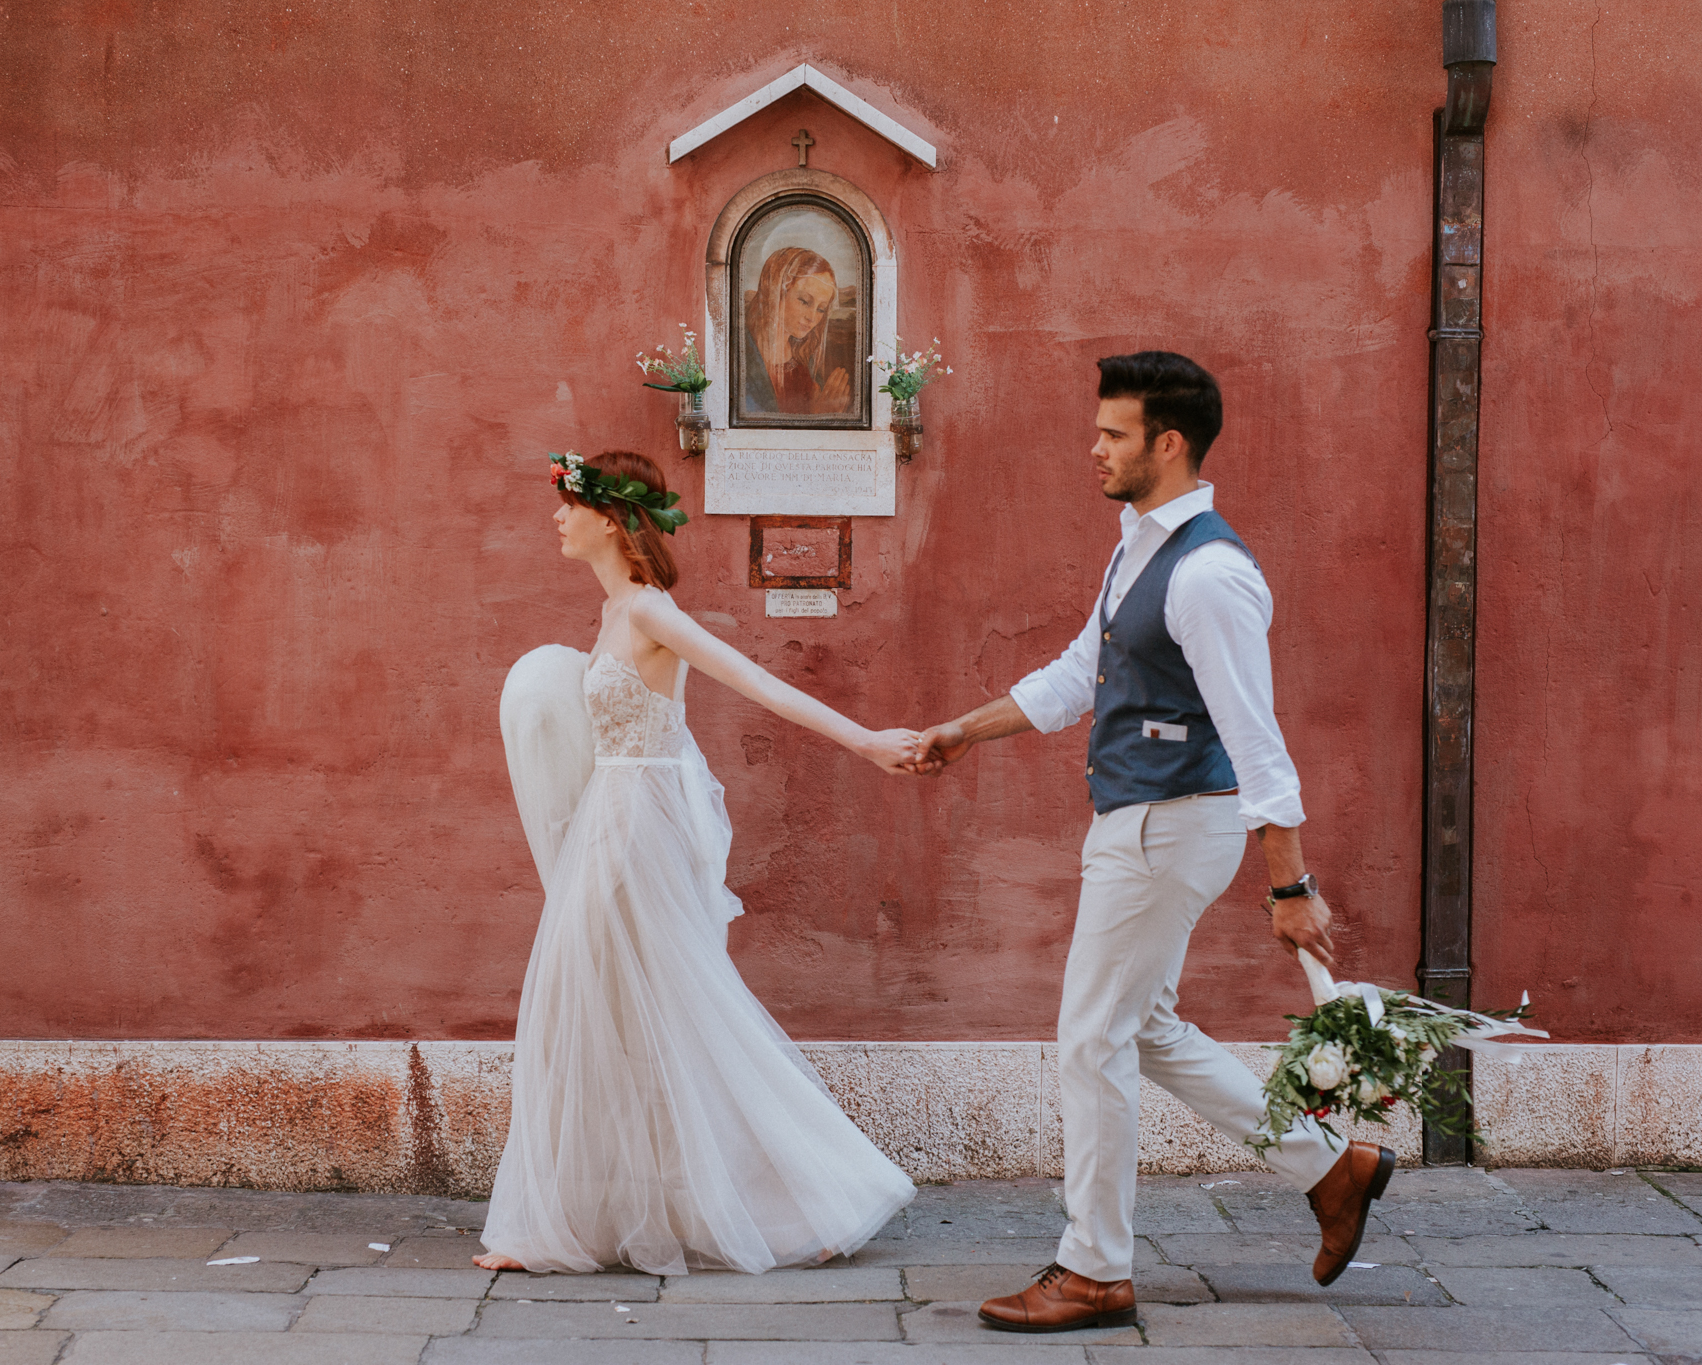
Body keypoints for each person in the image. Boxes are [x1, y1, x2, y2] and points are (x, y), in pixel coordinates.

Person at [909, 353, 1394, 1333]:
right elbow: (1069, 675)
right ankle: (1330, 1165)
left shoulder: (1209, 574)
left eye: (1112, 434)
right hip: (1144, 821)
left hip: (1167, 826)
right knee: (1142, 1028)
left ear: (1166, 444)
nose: (1093, 448)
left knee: (1090, 1040)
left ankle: (1092, 1268)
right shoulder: (1135, 548)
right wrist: (961, 732)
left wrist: (1288, 885)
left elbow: (1258, 741)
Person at [476, 449, 917, 1276]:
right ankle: (610, 1210)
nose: (556, 518)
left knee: (666, 1006)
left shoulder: (648, 611)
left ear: (610, 518)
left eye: (568, 505)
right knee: (613, 1011)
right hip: (609, 818)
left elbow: (753, 681)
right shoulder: (612, 616)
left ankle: (815, 1192)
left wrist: (865, 741)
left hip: (634, 824)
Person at [742, 246, 852, 415]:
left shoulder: (804, 360)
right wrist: (818, 414)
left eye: (821, 309)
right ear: (775, 292)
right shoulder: (742, 355)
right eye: (804, 301)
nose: (812, 317)